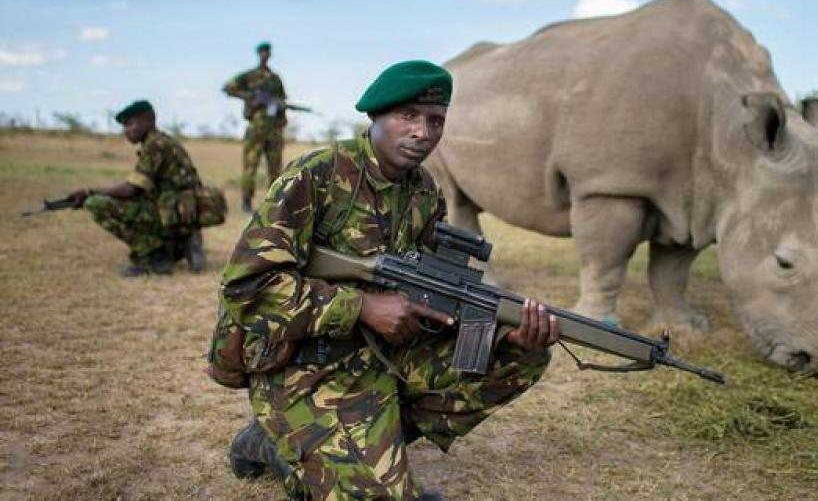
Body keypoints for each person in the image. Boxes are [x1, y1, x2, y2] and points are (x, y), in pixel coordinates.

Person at [219, 60, 558, 501]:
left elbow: (426, 282)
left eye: (435, 121)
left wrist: (494, 325)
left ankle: (370, 436)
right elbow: (246, 288)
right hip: (303, 365)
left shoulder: (423, 191)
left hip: (379, 359)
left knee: (520, 354)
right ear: (376, 116)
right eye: (408, 116)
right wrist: (361, 307)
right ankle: (279, 440)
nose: (423, 133)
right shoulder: (315, 176)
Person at [67, 100, 207, 277]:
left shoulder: (155, 145)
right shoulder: (163, 141)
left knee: (96, 204)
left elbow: (130, 189)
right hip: (180, 212)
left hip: (173, 213)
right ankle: (178, 243)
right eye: (124, 125)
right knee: (127, 202)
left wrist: (89, 192)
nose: (126, 130)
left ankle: (154, 257)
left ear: (149, 121)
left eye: (130, 123)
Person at [223, 41, 289, 213]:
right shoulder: (249, 76)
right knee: (250, 166)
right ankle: (246, 202)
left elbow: (282, 101)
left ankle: (273, 204)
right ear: (259, 53)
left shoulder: (275, 79)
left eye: (268, 52)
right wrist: (249, 97)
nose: (265, 54)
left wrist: (282, 115)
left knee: (275, 168)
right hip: (256, 128)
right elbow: (228, 88)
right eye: (263, 51)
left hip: (274, 129)